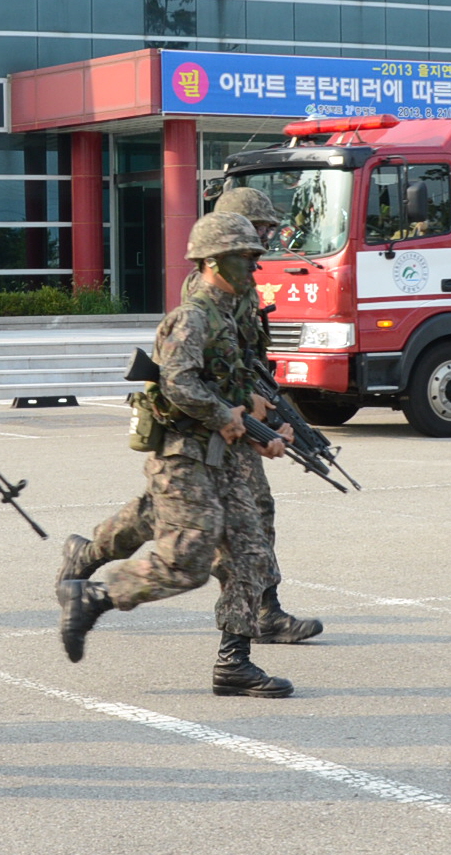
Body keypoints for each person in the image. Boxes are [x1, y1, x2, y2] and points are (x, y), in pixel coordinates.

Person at [57, 188, 322, 644]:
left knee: (223, 528)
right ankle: (256, 611)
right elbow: (190, 377)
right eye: (254, 235)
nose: (262, 246)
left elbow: (243, 362)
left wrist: (266, 412)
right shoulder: (201, 300)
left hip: (227, 422)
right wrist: (234, 411)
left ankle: (243, 635)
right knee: (201, 541)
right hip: (197, 432)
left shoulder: (240, 289)